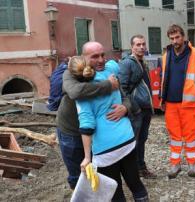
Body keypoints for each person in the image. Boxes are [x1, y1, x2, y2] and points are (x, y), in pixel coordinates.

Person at [67, 55, 148, 202]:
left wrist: (87, 157)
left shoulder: (82, 94)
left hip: (105, 149)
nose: (101, 59)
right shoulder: (110, 71)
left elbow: (87, 125)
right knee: (135, 183)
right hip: (126, 138)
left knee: (115, 190)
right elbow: (115, 62)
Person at [56, 41, 129, 190]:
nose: (101, 60)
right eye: (95, 56)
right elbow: (76, 92)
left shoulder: (108, 71)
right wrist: (108, 85)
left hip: (97, 133)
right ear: (83, 57)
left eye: (103, 55)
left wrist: (125, 108)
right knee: (78, 173)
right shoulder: (71, 72)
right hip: (72, 132)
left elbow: (124, 96)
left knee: (99, 171)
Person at [160, 24, 195, 178]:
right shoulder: (166, 56)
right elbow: (164, 78)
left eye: (177, 37)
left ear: (183, 37)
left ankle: (192, 164)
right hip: (170, 103)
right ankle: (175, 165)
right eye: (172, 38)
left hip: (188, 103)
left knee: (189, 135)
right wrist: (161, 99)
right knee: (174, 136)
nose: (175, 41)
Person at [118, 35, 156, 179]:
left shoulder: (142, 62)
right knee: (134, 142)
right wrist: (134, 108)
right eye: (138, 44)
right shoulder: (127, 63)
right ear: (132, 46)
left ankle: (141, 167)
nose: (141, 47)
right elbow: (123, 89)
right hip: (136, 110)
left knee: (142, 139)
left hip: (145, 109)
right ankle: (132, 172)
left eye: (143, 44)